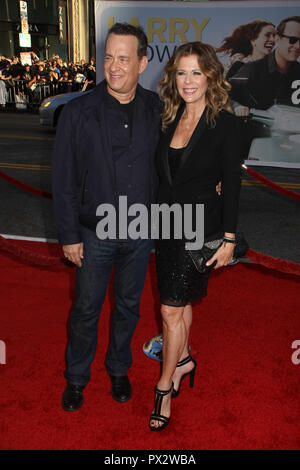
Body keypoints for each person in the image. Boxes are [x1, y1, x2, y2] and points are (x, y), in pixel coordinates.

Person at [52, 23, 162, 411]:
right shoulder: (78, 111)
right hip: (92, 233)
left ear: (143, 63)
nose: (113, 67)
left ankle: (118, 368)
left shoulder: (157, 109)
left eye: (124, 58)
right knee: (86, 309)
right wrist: (69, 235)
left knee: (128, 307)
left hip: (138, 232)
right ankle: (77, 378)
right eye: (109, 57)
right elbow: (63, 178)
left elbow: (171, 165)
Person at [149, 42, 242, 431]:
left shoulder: (225, 124)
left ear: (210, 77)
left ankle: (164, 386)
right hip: (167, 227)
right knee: (179, 303)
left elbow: (233, 184)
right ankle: (184, 360)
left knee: (170, 310)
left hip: (200, 230)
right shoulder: (167, 118)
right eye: (181, 73)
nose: (188, 81)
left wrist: (229, 238)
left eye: (196, 73)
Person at [229, 16, 300, 116]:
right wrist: (237, 107)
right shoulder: (249, 69)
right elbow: (224, 95)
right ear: (278, 39)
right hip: (254, 129)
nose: (298, 46)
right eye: (292, 40)